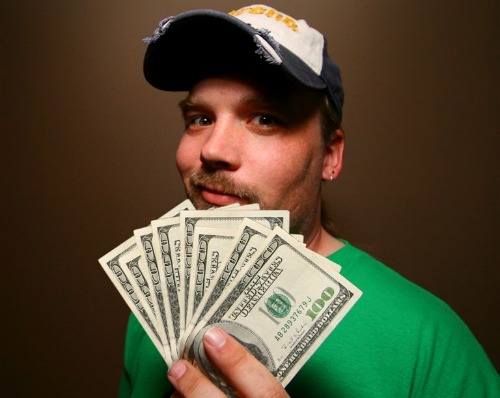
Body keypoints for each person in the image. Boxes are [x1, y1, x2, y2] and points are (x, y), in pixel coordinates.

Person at [118, 4, 499, 397]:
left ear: (330, 155)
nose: (213, 149)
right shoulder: (154, 310)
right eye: (200, 118)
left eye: (265, 118)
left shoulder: (427, 341)